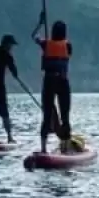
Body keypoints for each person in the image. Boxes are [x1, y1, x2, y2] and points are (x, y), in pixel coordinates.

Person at [33, 19, 72, 153]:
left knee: (47, 115)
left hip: (49, 81)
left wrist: (40, 23)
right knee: (65, 115)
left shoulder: (46, 44)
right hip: (62, 82)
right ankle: (65, 148)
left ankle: (43, 148)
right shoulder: (68, 46)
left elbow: (34, 37)